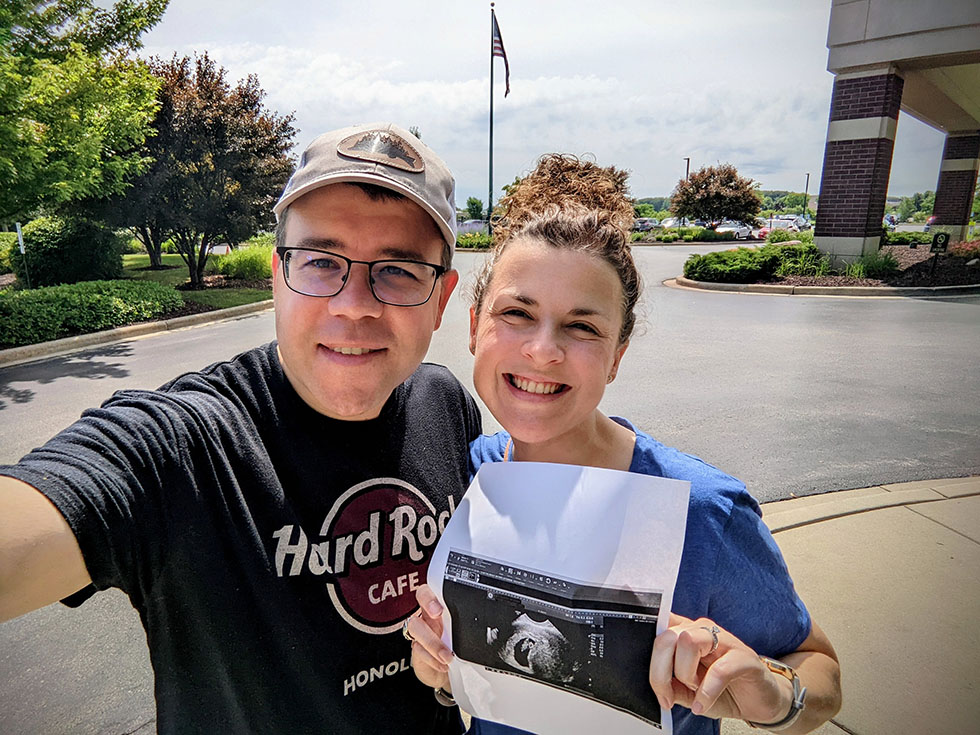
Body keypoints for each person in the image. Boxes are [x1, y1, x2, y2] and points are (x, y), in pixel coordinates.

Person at [0, 122, 481, 734]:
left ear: (441, 299)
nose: (355, 303)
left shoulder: (446, 406)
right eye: (320, 262)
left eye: (399, 271)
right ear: (278, 278)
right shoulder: (186, 447)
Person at [406, 155, 842, 734]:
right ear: (474, 328)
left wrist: (770, 695)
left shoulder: (703, 511)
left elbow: (821, 670)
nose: (542, 350)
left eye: (582, 326)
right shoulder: (472, 474)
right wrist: (440, 669)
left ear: (617, 355)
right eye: (516, 313)